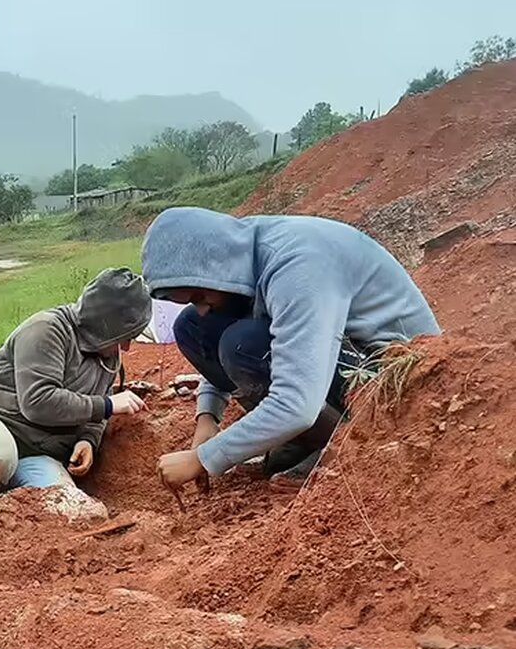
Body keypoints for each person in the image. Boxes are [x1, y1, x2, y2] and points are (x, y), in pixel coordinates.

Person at [140, 206, 441, 491]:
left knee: (244, 345)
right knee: (193, 327)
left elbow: (296, 402)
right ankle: (302, 439)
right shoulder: (240, 253)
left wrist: (202, 459)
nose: (202, 308)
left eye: (198, 296)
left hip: (397, 382)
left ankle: (344, 446)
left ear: (215, 267)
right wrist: (207, 418)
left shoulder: (297, 266)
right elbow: (215, 324)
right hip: (345, 350)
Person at [0, 267, 152, 502]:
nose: (126, 348)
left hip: (37, 452)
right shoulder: (47, 330)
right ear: (105, 325)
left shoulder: (107, 355)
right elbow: (38, 402)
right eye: (124, 337)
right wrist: (107, 405)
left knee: (73, 509)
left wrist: (87, 440)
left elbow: (96, 411)